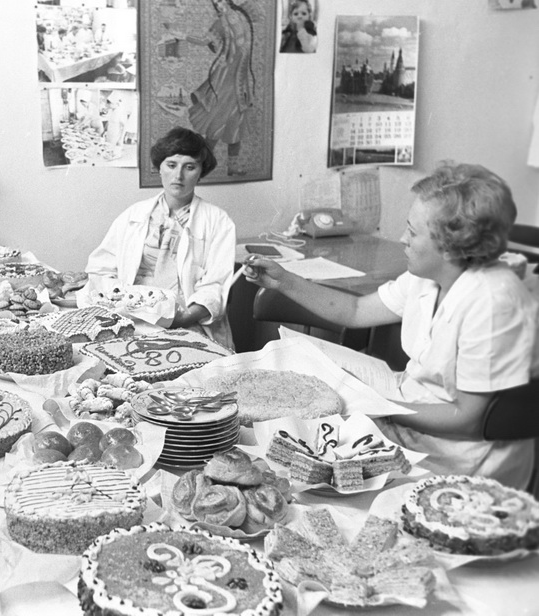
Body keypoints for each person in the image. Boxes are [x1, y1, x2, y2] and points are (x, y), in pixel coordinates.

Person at [243, 162, 539, 489]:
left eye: (412, 232)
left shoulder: (494, 302)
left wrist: (376, 405)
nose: (402, 239)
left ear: (451, 246)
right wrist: (284, 281)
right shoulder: (428, 276)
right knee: (298, 358)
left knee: (326, 453)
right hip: (411, 402)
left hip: (461, 452)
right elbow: (356, 310)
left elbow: (469, 420)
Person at [86, 127, 236, 348]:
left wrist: (183, 318)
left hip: (188, 321)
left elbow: (216, 285)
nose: (178, 176)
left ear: (201, 172)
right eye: (171, 165)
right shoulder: (134, 216)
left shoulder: (218, 222)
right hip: (133, 318)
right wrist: (121, 301)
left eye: (190, 167)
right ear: (160, 168)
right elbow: (101, 269)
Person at [181, 0, 256, 176]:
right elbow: (204, 41)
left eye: (221, 1)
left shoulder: (242, 17)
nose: (219, 5)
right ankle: (202, 165)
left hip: (241, 80)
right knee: (217, 122)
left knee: (236, 124)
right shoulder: (220, 23)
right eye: (216, 3)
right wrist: (183, 35)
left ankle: (233, 166)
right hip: (224, 79)